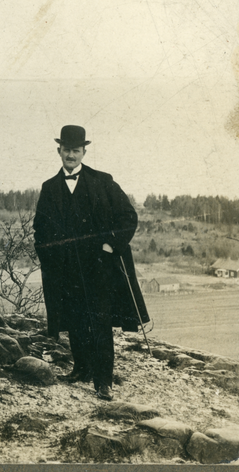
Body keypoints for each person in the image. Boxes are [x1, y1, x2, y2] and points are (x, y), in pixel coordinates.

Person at [33, 126, 149, 401]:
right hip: (65, 268)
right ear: (58, 151)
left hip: (100, 268)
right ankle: (81, 369)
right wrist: (49, 256)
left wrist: (111, 244)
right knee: (74, 319)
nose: (70, 155)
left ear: (84, 152)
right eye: (66, 150)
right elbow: (40, 229)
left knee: (99, 322)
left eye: (76, 150)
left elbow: (128, 217)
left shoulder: (103, 181)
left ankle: (103, 381)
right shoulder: (49, 188)